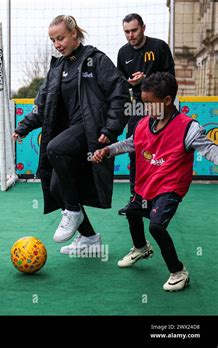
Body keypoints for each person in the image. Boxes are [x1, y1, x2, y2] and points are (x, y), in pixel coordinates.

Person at [13, 15, 129, 256]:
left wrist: (110, 129)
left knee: (54, 148)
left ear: (74, 34)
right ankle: (90, 239)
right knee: (56, 189)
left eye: (61, 37)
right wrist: (23, 127)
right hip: (69, 135)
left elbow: (120, 95)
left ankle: (73, 210)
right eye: (53, 40)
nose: (57, 43)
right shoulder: (57, 68)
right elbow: (43, 107)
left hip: (90, 132)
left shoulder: (96, 60)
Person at [92, 72, 218, 291]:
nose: (145, 107)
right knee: (131, 212)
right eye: (143, 102)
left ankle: (179, 272)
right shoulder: (143, 124)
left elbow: (209, 149)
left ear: (168, 101)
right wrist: (107, 150)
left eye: (150, 103)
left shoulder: (188, 128)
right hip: (146, 185)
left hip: (171, 188)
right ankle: (140, 248)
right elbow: (130, 143)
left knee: (157, 226)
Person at [117, 13, 175, 215]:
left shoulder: (159, 47)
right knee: (134, 149)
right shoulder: (123, 53)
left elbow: (170, 79)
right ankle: (136, 198)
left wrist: (146, 79)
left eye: (134, 30)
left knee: (161, 154)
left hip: (161, 108)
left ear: (143, 27)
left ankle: (162, 198)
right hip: (138, 107)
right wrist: (130, 83)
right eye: (127, 32)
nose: (131, 35)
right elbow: (121, 84)